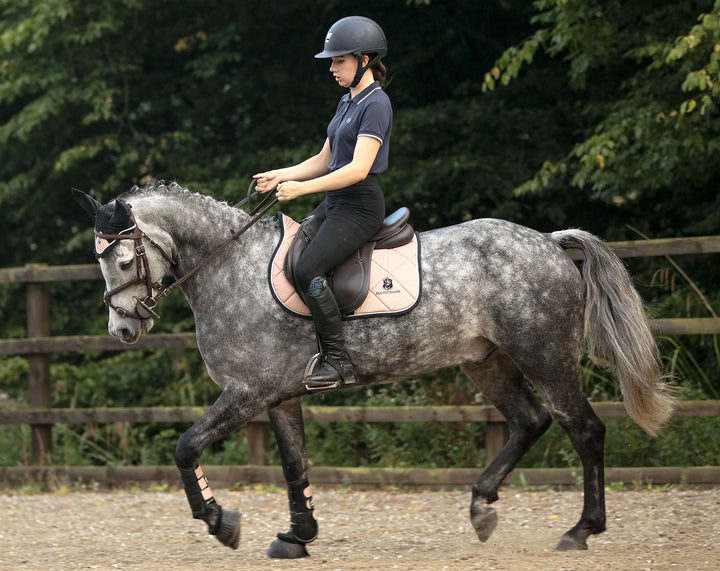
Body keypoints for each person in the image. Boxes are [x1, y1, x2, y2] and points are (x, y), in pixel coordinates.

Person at [254, 16, 392, 388]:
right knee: (288, 256)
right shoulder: (347, 101)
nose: (332, 68)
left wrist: (302, 190)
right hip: (335, 203)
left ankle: (337, 361)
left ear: (364, 59)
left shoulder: (376, 104)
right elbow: (324, 158)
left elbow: (358, 169)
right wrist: (282, 175)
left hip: (359, 206)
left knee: (306, 269)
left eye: (339, 60)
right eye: (332, 61)